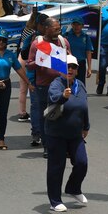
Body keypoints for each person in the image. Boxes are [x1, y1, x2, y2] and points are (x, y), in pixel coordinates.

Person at [45, 55, 90, 212]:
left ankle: (73, 188)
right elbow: (53, 98)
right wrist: (63, 96)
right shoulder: (56, 84)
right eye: (67, 66)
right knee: (56, 167)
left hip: (75, 134)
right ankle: (55, 200)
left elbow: (84, 107)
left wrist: (86, 126)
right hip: (56, 133)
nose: (70, 69)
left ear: (77, 70)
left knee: (82, 163)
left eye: (73, 67)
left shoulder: (81, 85)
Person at [27, 18, 69, 157]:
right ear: (46, 29)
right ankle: (47, 146)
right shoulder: (37, 44)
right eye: (55, 29)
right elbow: (30, 64)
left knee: (63, 115)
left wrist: (68, 57)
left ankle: (63, 145)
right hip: (43, 86)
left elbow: (71, 62)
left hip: (61, 85)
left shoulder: (63, 42)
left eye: (59, 28)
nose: (58, 31)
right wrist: (41, 59)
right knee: (46, 116)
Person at [64, 19, 93, 84]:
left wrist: (89, 68)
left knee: (80, 84)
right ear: (71, 25)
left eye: (78, 25)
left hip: (81, 63)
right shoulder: (66, 36)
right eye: (74, 24)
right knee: (69, 83)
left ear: (82, 26)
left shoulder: (85, 37)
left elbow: (88, 52)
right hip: (69, 64)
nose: (76, 27)